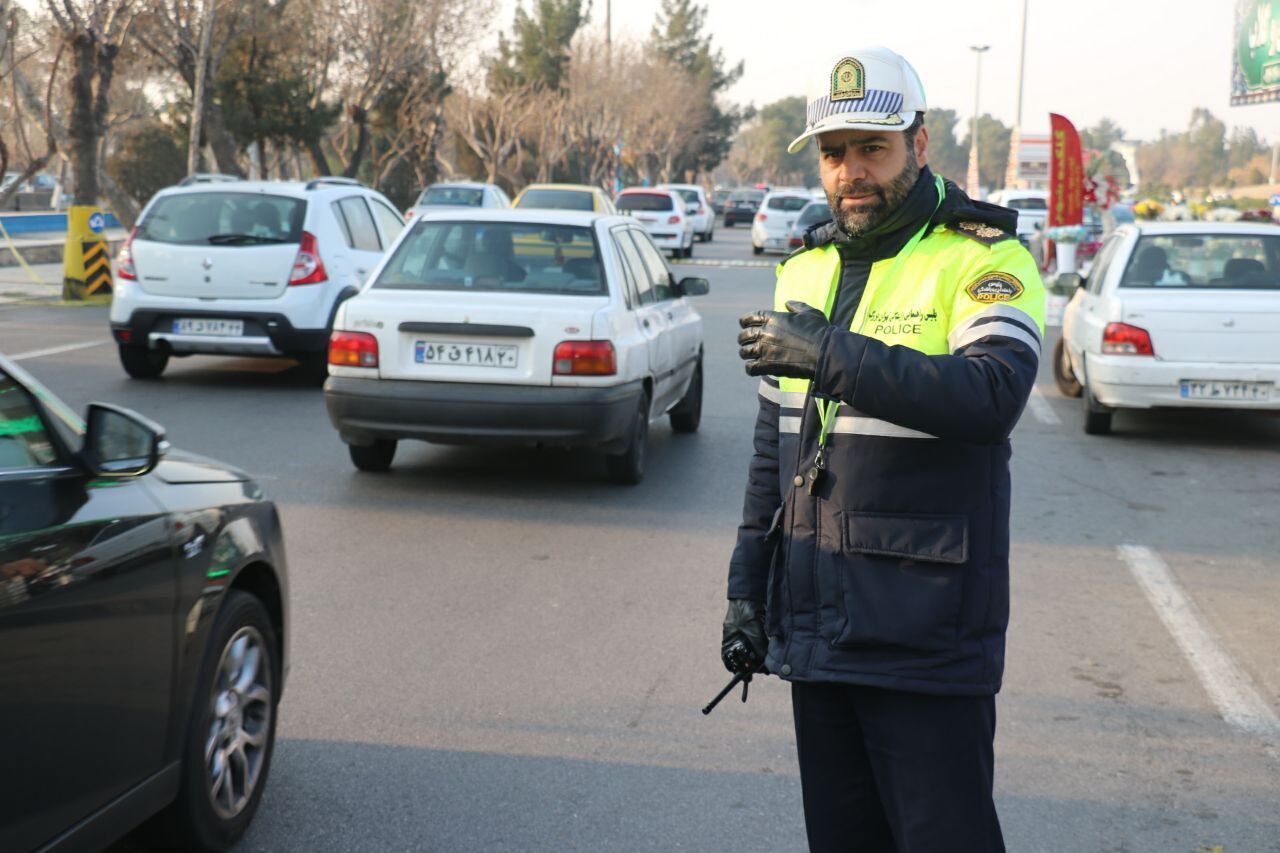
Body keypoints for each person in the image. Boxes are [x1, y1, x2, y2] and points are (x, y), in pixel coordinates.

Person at [722, 46, 1045, 852]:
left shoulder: (984, 255)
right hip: (818, 627)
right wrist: (744, 590)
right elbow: (774, 451)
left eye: (873, 148)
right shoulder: (804, 268)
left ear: (921, 144)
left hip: (925, 631)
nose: (851, 172)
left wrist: (825, 354)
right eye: (834, 154)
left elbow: (991, 396)